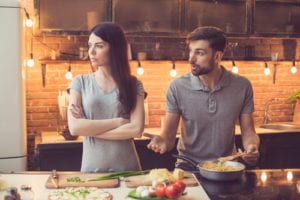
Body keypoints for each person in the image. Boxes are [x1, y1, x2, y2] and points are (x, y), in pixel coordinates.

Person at [144, 26, 260, 170]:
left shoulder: (242, 86)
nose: (191, 59)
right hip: (188, 166)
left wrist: (252, 147)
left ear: (217, 56)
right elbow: (168, 136)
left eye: (199, 53)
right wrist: (162, 141)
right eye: (191, 51)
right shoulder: (177, 87)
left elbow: (249, 132)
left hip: (225, 166)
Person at [67, 22, 146, 173]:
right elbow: (75, 127)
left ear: (115, 49)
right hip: (92, 171)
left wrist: (89, 129)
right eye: (90, 45)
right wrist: (119, 122)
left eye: (99, 46)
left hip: (128, 170)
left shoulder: (133, 84)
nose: (91, 52)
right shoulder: (80, 82)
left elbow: (136, 129)